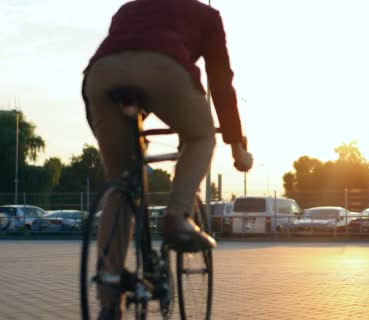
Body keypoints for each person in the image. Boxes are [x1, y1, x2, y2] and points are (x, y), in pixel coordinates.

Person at [81, 0, 253, 318]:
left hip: (101, 75)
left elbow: (125, 54)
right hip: (166, 69)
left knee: (121, 184)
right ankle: (176, 216)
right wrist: (236, 143)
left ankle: (108, 296)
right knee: (201, 137)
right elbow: (220, 81)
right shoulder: (207, 16)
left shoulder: (128, 8)